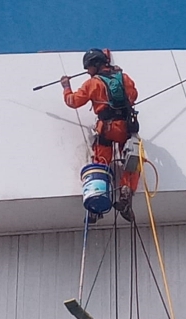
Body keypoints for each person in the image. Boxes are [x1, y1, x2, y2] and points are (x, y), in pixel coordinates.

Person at [60, 48, 140, 223]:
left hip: (106, 128)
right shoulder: (123, 77)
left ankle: (98, 198)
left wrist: (66, 86)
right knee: (132, 161)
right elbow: (133, 95)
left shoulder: (93, 83)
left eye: (88, 68)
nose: (87, 71)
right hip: (125, 127)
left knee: (100, 162)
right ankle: (126, 192)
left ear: (95, 65)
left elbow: (73, 101)